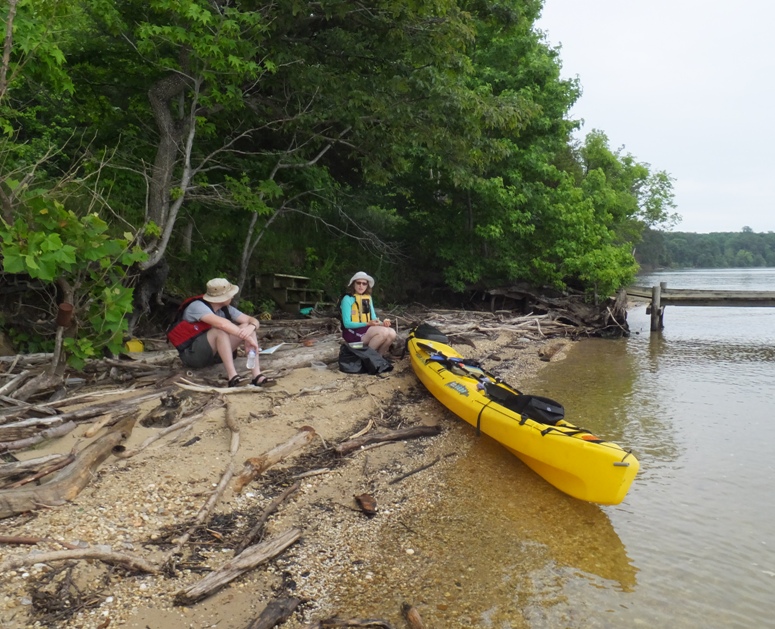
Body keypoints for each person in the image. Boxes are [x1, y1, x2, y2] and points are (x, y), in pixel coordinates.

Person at [173, 278, 275, 387]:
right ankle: (233, 377)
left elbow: (252, 320)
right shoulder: (197, 306)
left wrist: (251, 327)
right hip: (193, 355)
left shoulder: (226, 308)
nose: (233, 296)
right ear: (222, 297)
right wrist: (248, 338)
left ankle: (257, 376)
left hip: (215, 354)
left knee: (247, 328)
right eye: (230, 294)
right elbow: (222, 324)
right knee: (220, 331)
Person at [340, 271, 396, 357]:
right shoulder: (347, 299)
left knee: (392, 333)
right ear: (353, 284)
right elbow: (347, 324)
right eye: (358, 283)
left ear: (367, 285)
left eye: (364, 283)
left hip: (366, 330)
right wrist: (367, 323)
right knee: (383, 332)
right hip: (352, 333)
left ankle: (378, 358)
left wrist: (382, 323)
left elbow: (373, 318)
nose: (361, 286)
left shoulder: (367, 299)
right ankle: (367, 358)